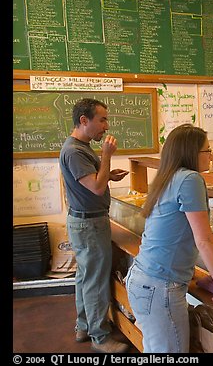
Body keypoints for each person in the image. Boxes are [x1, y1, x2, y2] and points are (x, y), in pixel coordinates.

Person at [125, 124, 213, 353]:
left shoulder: (169, 176)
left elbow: (174, 233)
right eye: (207, 149)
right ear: (192, 153)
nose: (210, 154)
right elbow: (203, 239)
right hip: (159, 287)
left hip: (144, 279)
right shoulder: (190, 179)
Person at [59, 98, 130, 353]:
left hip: (85, 222)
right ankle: (100, 338)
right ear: (84, 120)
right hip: (89, 224)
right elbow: (97, 189)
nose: (106, 126)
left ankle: (83, 326)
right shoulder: (75, 151)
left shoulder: (79, 147)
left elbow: (91, 181)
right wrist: (107, 156)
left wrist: (107, 172)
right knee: (96, 281)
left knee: (85, 277)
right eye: (102, 120)